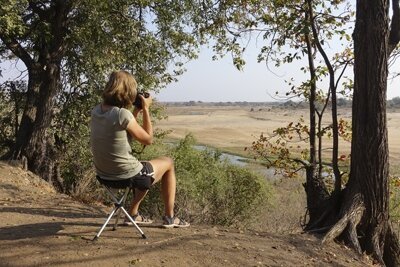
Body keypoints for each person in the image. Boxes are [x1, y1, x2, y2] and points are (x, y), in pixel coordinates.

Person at [90, 70, 189, 228]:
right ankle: (170, 217)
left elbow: (123, 127)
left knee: (143, 167)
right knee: (168, 163)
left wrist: (136, 111)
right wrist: (147, 110)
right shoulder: (122, 114)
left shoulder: (96, 111)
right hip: (126, 175)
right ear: (128, 91)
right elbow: (148, 139)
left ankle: (133, 214)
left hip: (104, 175)